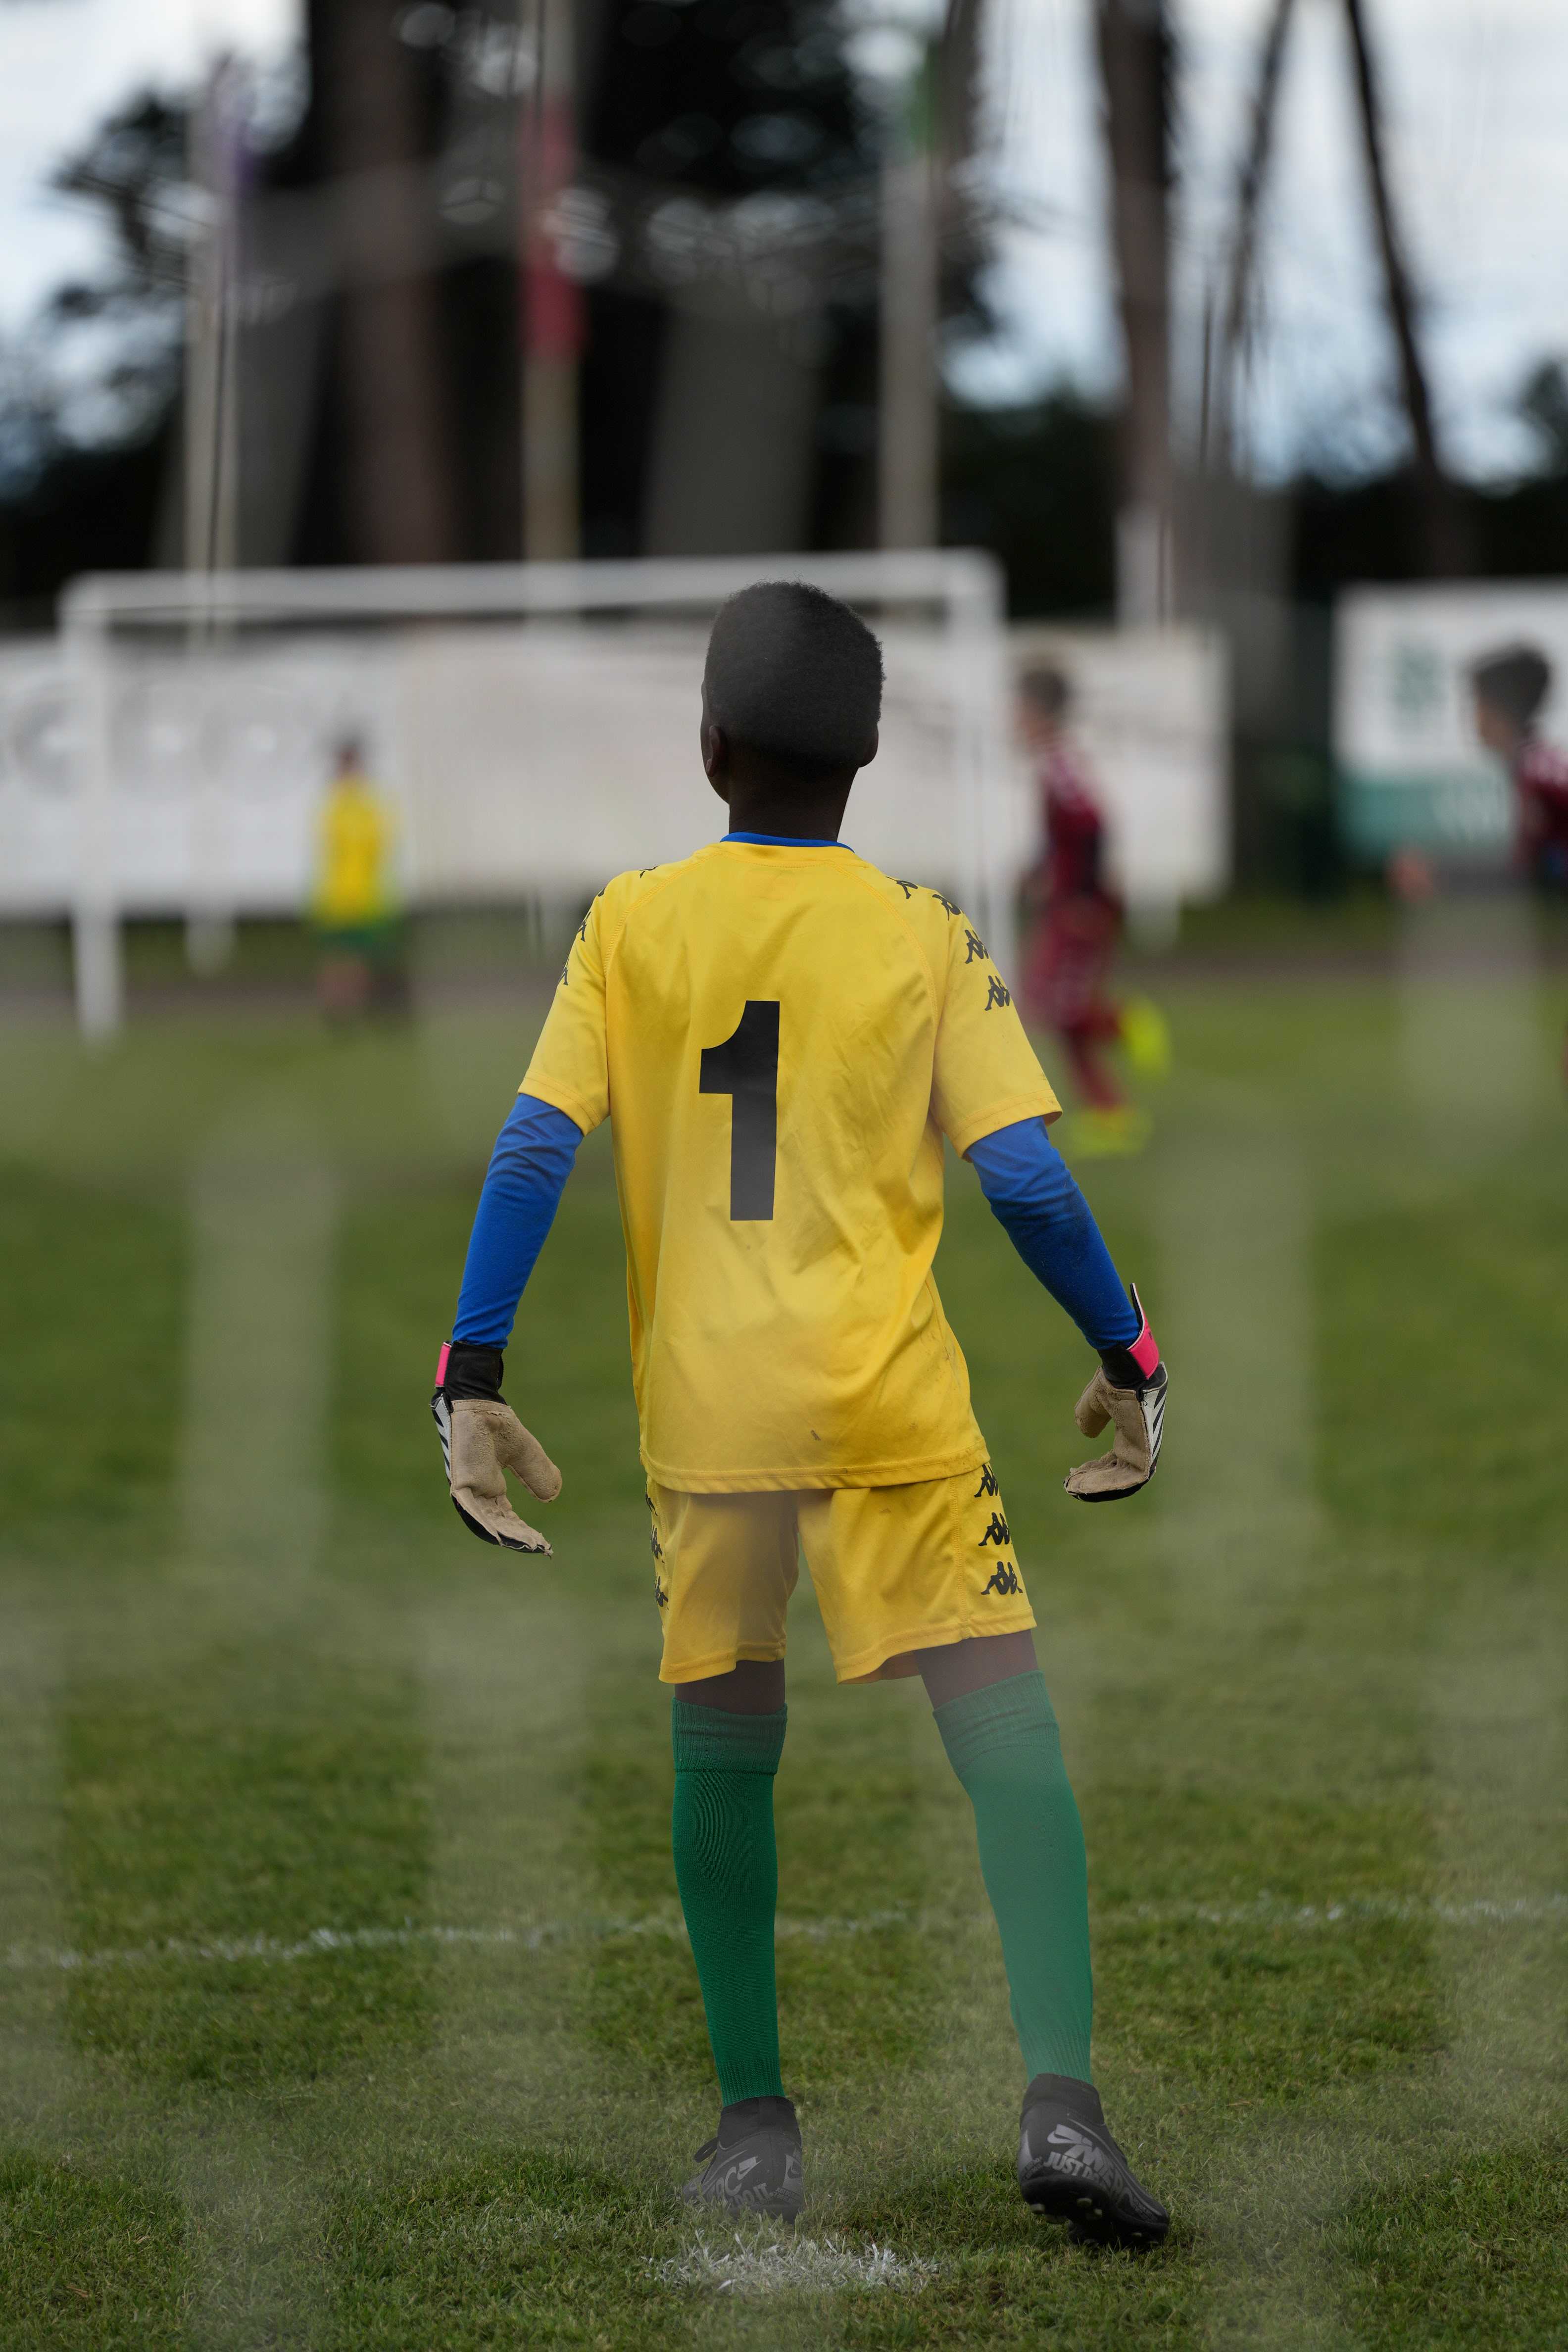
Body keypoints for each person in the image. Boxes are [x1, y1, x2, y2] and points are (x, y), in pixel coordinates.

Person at [431, 584, 1171, 2248]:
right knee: (1006, 1735)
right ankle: (1063, 2104)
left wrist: (470, 1373)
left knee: (723, 1743)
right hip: (887, 1403)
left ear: (707, 747)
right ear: (868, 758)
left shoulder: (628, 923)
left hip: (708, 1420)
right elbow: (1026, 1179)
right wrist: (1126, 1351)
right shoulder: (919, 930)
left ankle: (754, 2128)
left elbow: (535, 1148)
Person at [1016, 665, 1166, 1155]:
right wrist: (1039, 868)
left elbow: (1092, 824)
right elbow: (1064, 832)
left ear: (1038, 712)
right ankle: (1110, 1115)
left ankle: (1124, 1023)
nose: (1012, 719)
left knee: (1058, 1005)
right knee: (1054, 1008)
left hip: (1082, 906)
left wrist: (1082, 893)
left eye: (1018, 709)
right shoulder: (1053, 763)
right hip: (1069, 900)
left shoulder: (1060, 765)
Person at [311, 735, 405, 1018]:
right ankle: (341, 1008)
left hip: (363, 893)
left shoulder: (364, 803)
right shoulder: (338, 803)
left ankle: (353, 1007)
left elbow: (378, 844)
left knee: (359, 956)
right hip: (341, 894)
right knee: (340, 956)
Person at [1470, 643, 1568, 890]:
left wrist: (1445, 876)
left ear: (1500, 712)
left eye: (1478, 705)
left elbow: (1523, 865)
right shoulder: (1528, 765)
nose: (1474, 717)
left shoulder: (1537, 773)